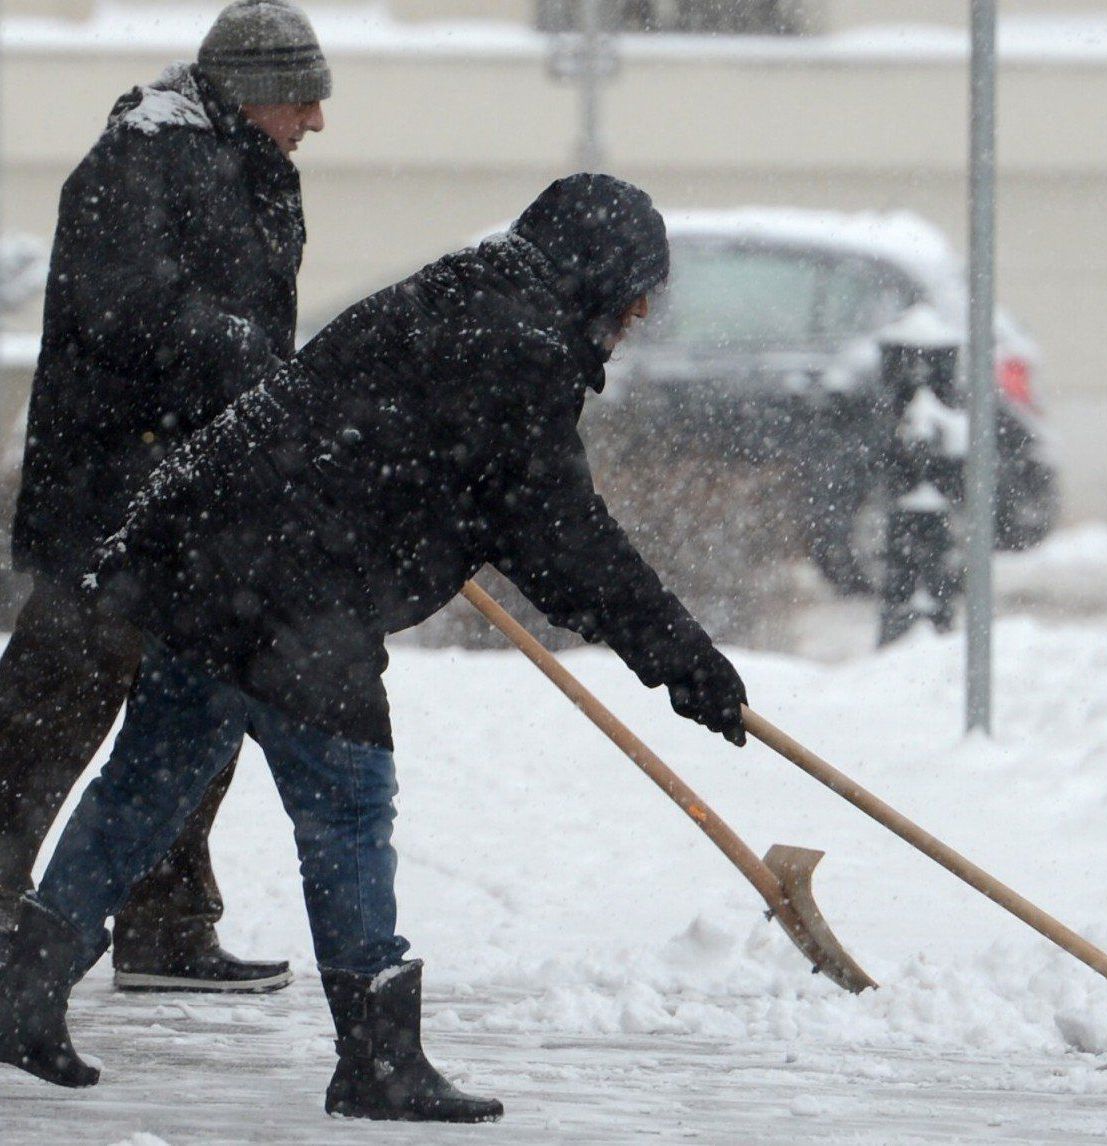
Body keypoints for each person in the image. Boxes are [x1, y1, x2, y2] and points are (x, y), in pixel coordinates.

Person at [0, 175, 749, 1123]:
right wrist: (683, 658)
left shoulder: (460, 293)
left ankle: (22, 990)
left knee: (152, 777)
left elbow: (463, 480)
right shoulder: (519, 347)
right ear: (600, 277)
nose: (641, 316)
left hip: (209, 560)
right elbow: (562, 533)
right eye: (638, 293)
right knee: (348, 804)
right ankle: (376, 1057)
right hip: (293, 594)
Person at [0, 0, 329, 993]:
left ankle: (166, 928)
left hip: (199, 498)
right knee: (50, 715)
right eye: (303, 99)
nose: (317, 121)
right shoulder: (137, 162)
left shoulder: (252, 170)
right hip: (112, 497)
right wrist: (245, 363)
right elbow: (128, 307)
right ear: (252, 94)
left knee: (192, 714)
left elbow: (241, 322)